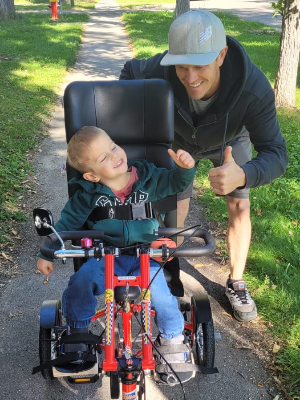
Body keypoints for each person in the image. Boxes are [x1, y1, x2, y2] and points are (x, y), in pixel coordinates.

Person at [120, 10, 288, 322]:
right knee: (175, 206)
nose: (191, 77)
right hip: (180, 138)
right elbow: (130, 72)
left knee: (239, 204)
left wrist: (244, 173)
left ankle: (236, 281)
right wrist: (138, 126)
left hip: (229, 141)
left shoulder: (254, 88)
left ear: (222, 55)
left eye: (200, 66)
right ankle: (166, 268)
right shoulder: (160, 68)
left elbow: (277, 152)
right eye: (182, 66)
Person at [37, 126, 196, 384]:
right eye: (103, 158)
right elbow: (67, 223)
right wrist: (47, 251)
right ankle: (78, 334)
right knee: (81, 281)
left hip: (146, 255)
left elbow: (176, 183)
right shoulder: (88, 196)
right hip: (104, 256)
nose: (114, 155)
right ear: (91, 175)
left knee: (162, 297)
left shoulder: (147, 178)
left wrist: (184, 169)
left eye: (112, 146)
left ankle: (172, 338)